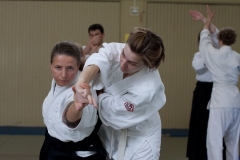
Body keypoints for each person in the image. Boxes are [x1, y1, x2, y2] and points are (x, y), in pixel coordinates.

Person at [67, 27, 166, 160]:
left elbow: (113, 110)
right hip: (112, 133)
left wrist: (98, 92)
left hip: (139, 139)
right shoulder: (122, 50)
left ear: (148, 64)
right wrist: (83, 81)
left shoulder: (148, 88)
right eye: (123, 54)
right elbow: (101, 58)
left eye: (132, 63)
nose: (123, 64)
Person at [39, 41, 106, 160]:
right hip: (54, 148)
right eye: (58, 67)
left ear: (77, 65)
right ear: (51, 65)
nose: (63, 75)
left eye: (70, 68)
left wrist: (76, 106)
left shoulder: (82, 90)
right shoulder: (57, 83)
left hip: (76, 155)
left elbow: (71, 117)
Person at [192, 5, 240, 160]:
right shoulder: (237, 57)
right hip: (235, 100)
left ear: (219, 40)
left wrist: (206, 23)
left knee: (214, 142)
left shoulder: (213, 55)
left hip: (219, 102)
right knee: (233, 142)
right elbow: (216, 35)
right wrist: (207, 20)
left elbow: (205, 39)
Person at [187, 12, 226, 160]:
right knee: (200, 124)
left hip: (216, 90)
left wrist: (205, 20)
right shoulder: (198, 56)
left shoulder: (219, 53)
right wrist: (208, 55)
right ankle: (197, 154)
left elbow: (218, 34)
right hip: (202, 91)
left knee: (215, 125)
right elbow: (199, 67)